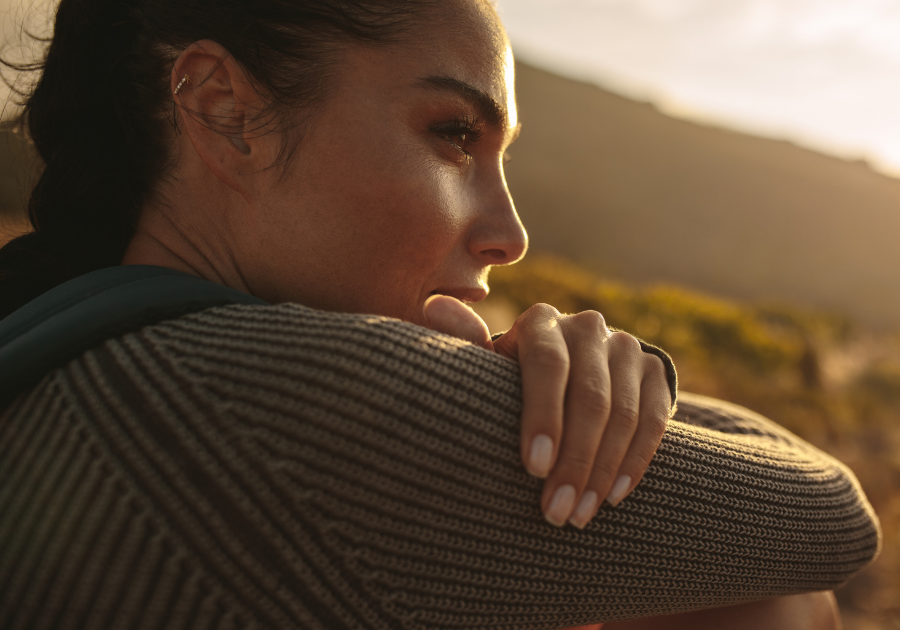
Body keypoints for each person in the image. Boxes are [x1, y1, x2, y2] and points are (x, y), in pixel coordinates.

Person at [0, 0, 880, 628]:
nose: (510, 235)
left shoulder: (59, 326)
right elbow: (831, 518)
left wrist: (601, 386)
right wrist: (613, 390)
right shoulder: (259, 393)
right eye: (455, 134)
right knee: (768, 602)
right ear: (225, 110)